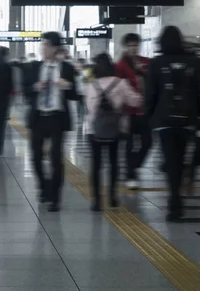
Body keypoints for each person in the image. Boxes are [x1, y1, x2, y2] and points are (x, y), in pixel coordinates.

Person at [145, 26, 200, 222]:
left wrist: (149, 118)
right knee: (182, 156)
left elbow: (151, 93)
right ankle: (179, 197)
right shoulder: (194, 62)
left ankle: (174, 203)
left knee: (171, 160)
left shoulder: (157, 62)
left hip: (165, 121)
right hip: (187, 120)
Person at [24, 32, 77, 212]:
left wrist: (67, 86)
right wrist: (35, 87)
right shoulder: (34, 67)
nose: (43, 49)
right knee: (35, 157)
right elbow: (25, 91)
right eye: (42, 45)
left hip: (57, 118)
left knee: (56, 159)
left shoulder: (67, 68)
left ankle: (55, 198)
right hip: (38, 117)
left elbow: (75, 94)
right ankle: (43, 186)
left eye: (46, 45)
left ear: (55, 48)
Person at [85, 54, 141, 212]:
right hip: (116, 129)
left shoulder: (91, 85)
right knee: (114, 163)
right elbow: (135, 101)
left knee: (96, 165)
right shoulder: (121, 83)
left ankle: (96, 201)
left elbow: (89, 108)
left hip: (93, 129)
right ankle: (112, 197)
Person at [115, 33, 151, 189]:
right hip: (128, 113)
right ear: (125, 47)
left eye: (135, 45)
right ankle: (130, 175)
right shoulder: (120, 66)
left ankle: (134, 166)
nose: (133, 49)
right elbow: (118, 89)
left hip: (145, 112)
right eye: (129, 46)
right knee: (129, 145)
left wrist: (143, 72)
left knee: (147, 143)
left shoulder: (147, 63)